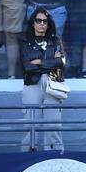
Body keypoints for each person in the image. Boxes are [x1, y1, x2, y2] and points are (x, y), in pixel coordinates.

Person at [19, 8, 66, 152]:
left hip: (53, 83)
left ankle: (54, 153)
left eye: (45, 21)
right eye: (38, 21)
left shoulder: (55, 41)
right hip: (32, 83)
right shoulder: (25, 42)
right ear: (33, 23)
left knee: (53, 123)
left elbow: (61, 62)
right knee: (30, 123)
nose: (41, 24)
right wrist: (50, 62)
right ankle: (27, 154)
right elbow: (27, 66)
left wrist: (39, 62)